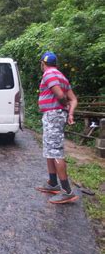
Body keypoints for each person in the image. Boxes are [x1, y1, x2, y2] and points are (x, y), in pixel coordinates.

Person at [35, 52, 79, 204]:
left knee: (55, 151)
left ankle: (67, 191)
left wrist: (65, 107)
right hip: (53, 115)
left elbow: (60, 96)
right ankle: (52, 183)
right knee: (49, 149)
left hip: (53, 115)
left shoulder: (49, 73)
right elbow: (74, 99)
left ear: (43, 63)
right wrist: (70, 113)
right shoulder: (61, 76)